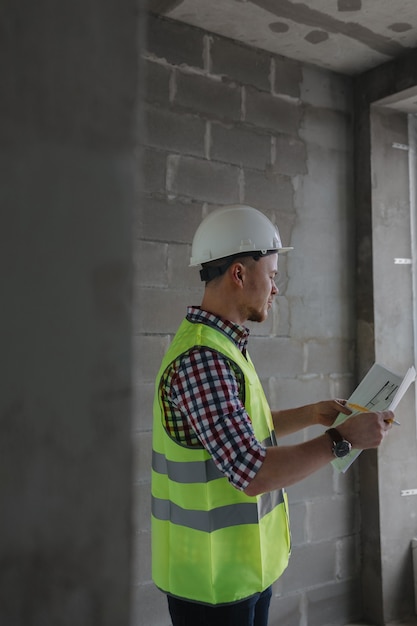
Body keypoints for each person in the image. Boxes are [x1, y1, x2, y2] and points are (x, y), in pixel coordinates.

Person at [151, 204, 394, 626]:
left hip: (242, 572)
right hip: (212, 585)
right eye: (273, 275)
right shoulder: (203, 359)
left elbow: (239, 431)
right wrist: (343, 440)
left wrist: (313, 413)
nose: (276, 289)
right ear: (240, 275)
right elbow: (253, 471)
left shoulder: (222, 346)